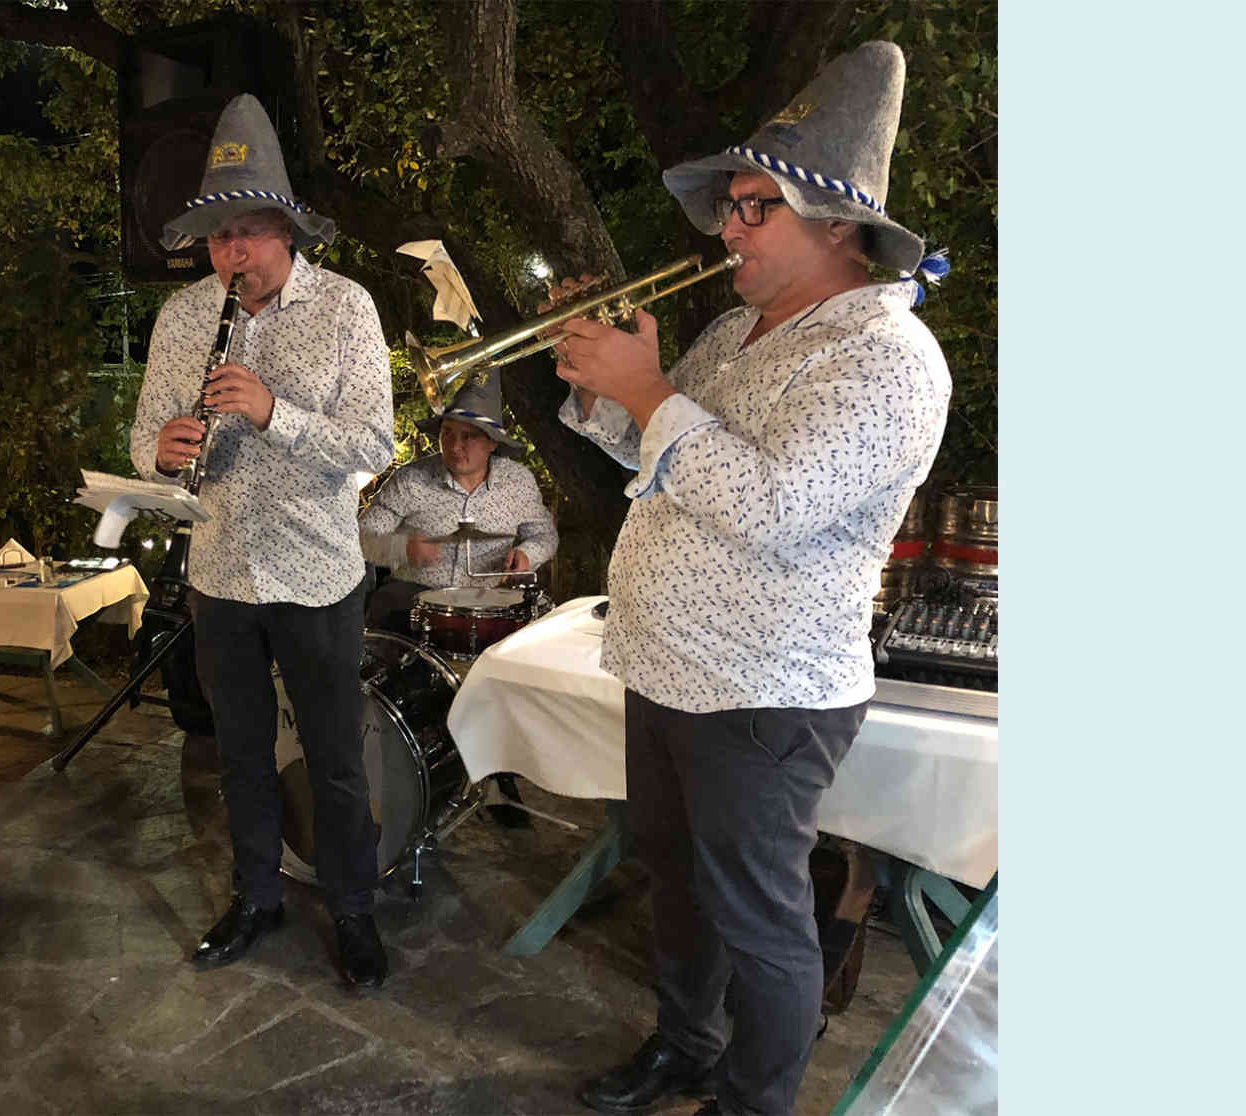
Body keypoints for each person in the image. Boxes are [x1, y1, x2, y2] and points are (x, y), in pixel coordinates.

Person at [547, 43, 951, 1116]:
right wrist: (604, 392)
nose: (727, 227)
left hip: (762, 689)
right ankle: (685, 1046)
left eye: (753, 208)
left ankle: (755, 1100)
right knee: (674, 887)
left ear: (833, 224)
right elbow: (665, 460)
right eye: (730, 205)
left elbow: (773, 506)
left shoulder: (885, 358)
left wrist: (649, 396)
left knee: (761, 921)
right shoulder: (734, 329)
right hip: (666, 666)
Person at [131, 95, 396, 989]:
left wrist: (274, 413)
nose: (230, 253)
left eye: (246, 231)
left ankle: (354, 908)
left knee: (332, 756)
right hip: (219, 568)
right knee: (236, 751)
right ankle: (256, 895)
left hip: (317, 570)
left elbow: (373, 444)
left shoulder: (348, 309)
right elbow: (143, 440)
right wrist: (161, 452)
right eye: (216, 238)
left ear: (285, 232)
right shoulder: (182, 318)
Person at [357, 377, 558, 635]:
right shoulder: (410, 480)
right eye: (447, 433)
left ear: (492, 442)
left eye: (468, 436)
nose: (454, 446)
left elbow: (544, 535)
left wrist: (527, 554)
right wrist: (402, 548)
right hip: (412, 603)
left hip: (489, 607)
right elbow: (361, 537)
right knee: (387, 605)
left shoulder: (518, 481)